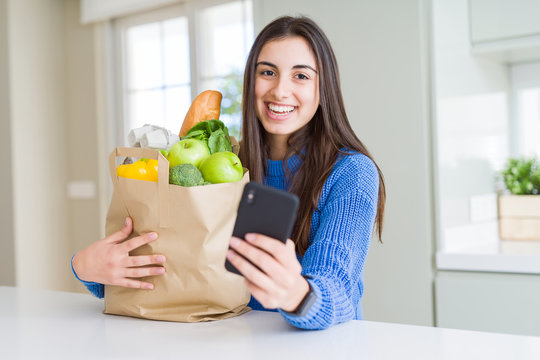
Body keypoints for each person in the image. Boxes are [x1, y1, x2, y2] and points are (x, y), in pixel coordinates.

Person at [72, 15, 386, 330]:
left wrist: (298, 294)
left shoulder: (352, 173)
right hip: (231, 340)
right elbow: (177, 262)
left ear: (324, 88)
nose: (280, 90)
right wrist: (86, 268)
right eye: (268, 72)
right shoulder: (226, 162)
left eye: (301, 76)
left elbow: (339, 286)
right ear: (252, 81)